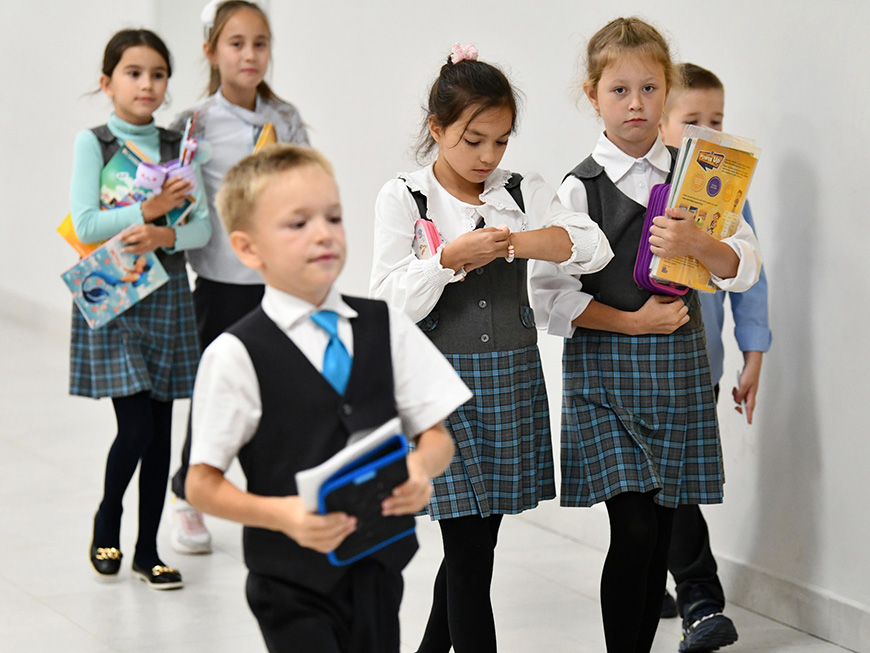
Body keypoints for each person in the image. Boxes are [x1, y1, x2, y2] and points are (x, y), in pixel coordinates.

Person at [528, 18, 762, 653]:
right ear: (592, 95)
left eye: (650, 89)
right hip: (603, 377)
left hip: (678, 373)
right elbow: (549, 299)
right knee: (632, 529)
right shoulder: (578, 188)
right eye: (619, 90)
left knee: (659, 531)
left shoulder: (699, 175)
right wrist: (632, 321)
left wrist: (699, 243)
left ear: (667, 91)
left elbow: (744, 266)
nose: (636, 104)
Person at [370, 44, 613, 653]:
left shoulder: (520, 191)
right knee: (467, 548)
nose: (488, 156)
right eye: (472, 140)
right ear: (437, 129)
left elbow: (590, 247)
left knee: (477, 544)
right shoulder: (405, 197)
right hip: (438, 390)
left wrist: (515, 243)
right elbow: (387, 301)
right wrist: (446, 260)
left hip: (511, 382)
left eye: (501, 141)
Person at [185, 143, 468, 653]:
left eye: (333, 217)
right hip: (291, 585)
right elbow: (200, 484)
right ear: (248, 249)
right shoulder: (235, 354)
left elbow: (437, 437)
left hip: (379, 568)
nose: (323, 234)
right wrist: (285, 516)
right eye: (297, 224)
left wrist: (419, 469)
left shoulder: (384, 325)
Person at [167, 0, 310, 555]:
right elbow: (180, 201)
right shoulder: (194, 123)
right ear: (211, 51)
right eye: (236, 43)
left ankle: (275, 499)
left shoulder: (286, 117)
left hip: (275, 284)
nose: (250, 54)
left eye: (260, 43)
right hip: (221, 283)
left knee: (276, 392)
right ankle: (187, 493)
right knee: (214, 391)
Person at [70, 29, 211, 589]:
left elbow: (200, 228)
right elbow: (85, 224)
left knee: (160, 433)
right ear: (107, 83)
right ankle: (108, 518)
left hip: (168, 294)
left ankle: (147, 551)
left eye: (157, 74)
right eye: (133, 73)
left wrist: (164, 236)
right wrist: (148, 212)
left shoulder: (180, 147)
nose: (146, 84)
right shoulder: (95, 143)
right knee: (135, 428)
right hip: (114, 295)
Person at [658, 61, 772, 652]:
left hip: (700, 365)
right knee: (651, 486)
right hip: (635, 361)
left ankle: (700, 600)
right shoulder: (636, 183)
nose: (707, 132)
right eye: (692, 120)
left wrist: (753, 353)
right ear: (661, 122)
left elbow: (751, 279)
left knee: (675, 481)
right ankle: (657, 577)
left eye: (717, 120)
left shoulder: (729, 194)